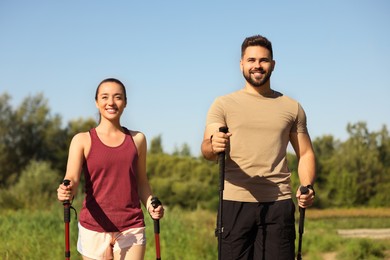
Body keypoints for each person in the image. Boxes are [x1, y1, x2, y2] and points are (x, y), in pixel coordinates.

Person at [201, 35, 316, 259]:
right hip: (234, 202)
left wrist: (307, 185)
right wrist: (213, 145)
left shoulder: (292, 107)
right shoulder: (223, 104)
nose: (257, 65)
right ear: (241, 63)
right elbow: (206, 149)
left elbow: (306, 153)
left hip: (278, 203)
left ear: (272, 64)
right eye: (251, 60)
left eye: (263, 60)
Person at [57, 78, 164, 260]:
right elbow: (72, 179)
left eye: (117, 97)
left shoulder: (137, 139)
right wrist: (66, 191)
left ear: (125, 102)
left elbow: (141, 183)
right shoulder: (82, 140)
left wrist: (151, 205)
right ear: (97, 102)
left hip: (131, 225)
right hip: (93, 226)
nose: (111, 103)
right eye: (105, 97)